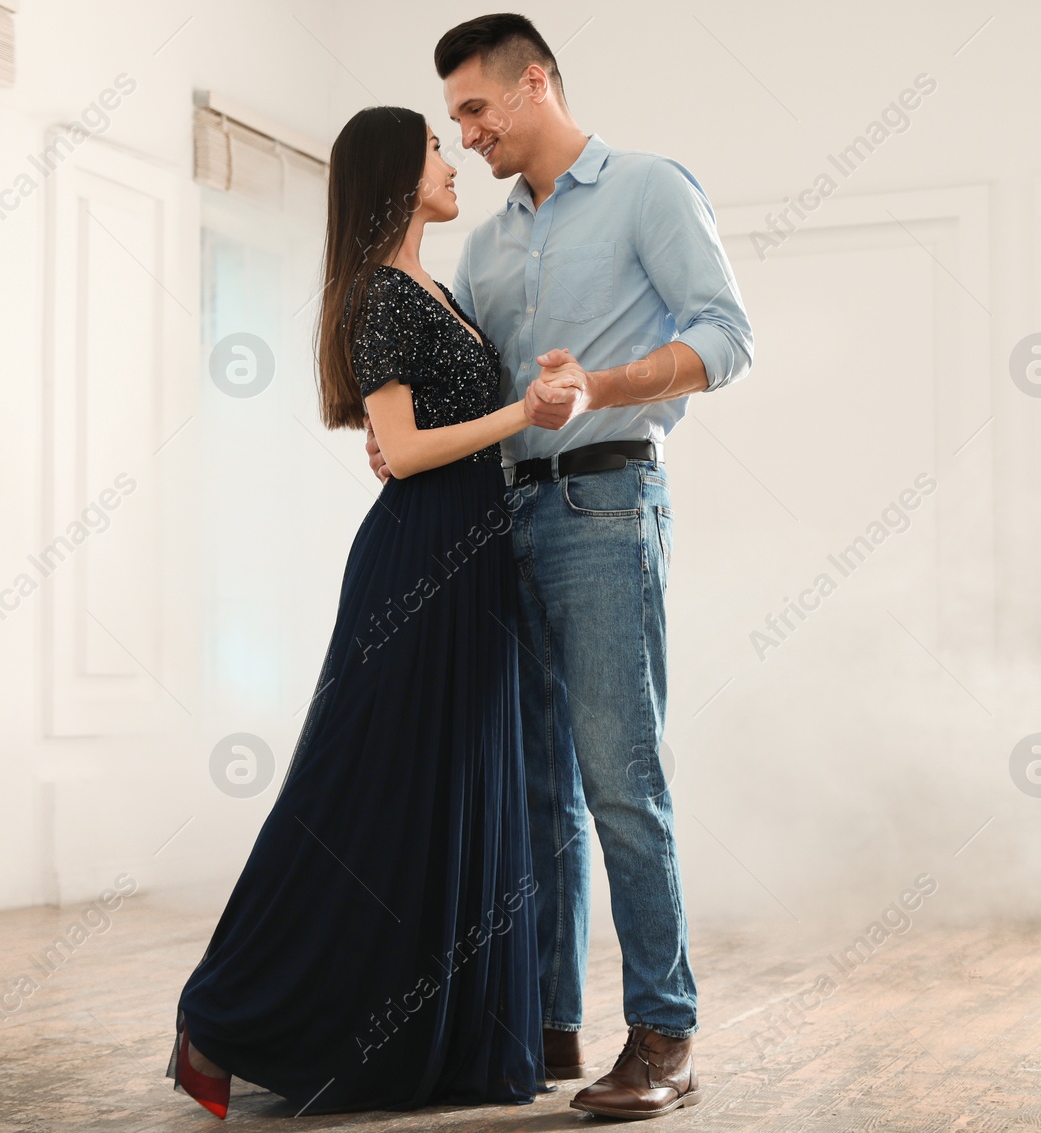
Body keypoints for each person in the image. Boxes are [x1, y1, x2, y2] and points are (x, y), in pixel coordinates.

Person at [364, 13, 755, 1120]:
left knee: (618, 778)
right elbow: (468, 392)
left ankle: (664, 1032)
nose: (467, 133)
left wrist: (602, 387)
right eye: (455, 120)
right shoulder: (483, 249)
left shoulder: (647, 189)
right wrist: (390, 430)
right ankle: (546, 1021)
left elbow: (727, 338)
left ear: (533, 84)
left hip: (605, 504)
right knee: (537, 791)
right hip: (499, 522)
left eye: (475, 110)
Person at [166, 106, 581, 1119]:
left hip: (467, 560)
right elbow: (401, 447)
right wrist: (521, 415)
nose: (453, 163)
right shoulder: (382, 295)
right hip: (419, 563)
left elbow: (420, 438)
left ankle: (442, 1038)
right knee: (357, 788)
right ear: (399, 172)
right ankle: (218, 1017)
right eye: (438, 150)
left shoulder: (432, 288)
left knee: (448, 795)